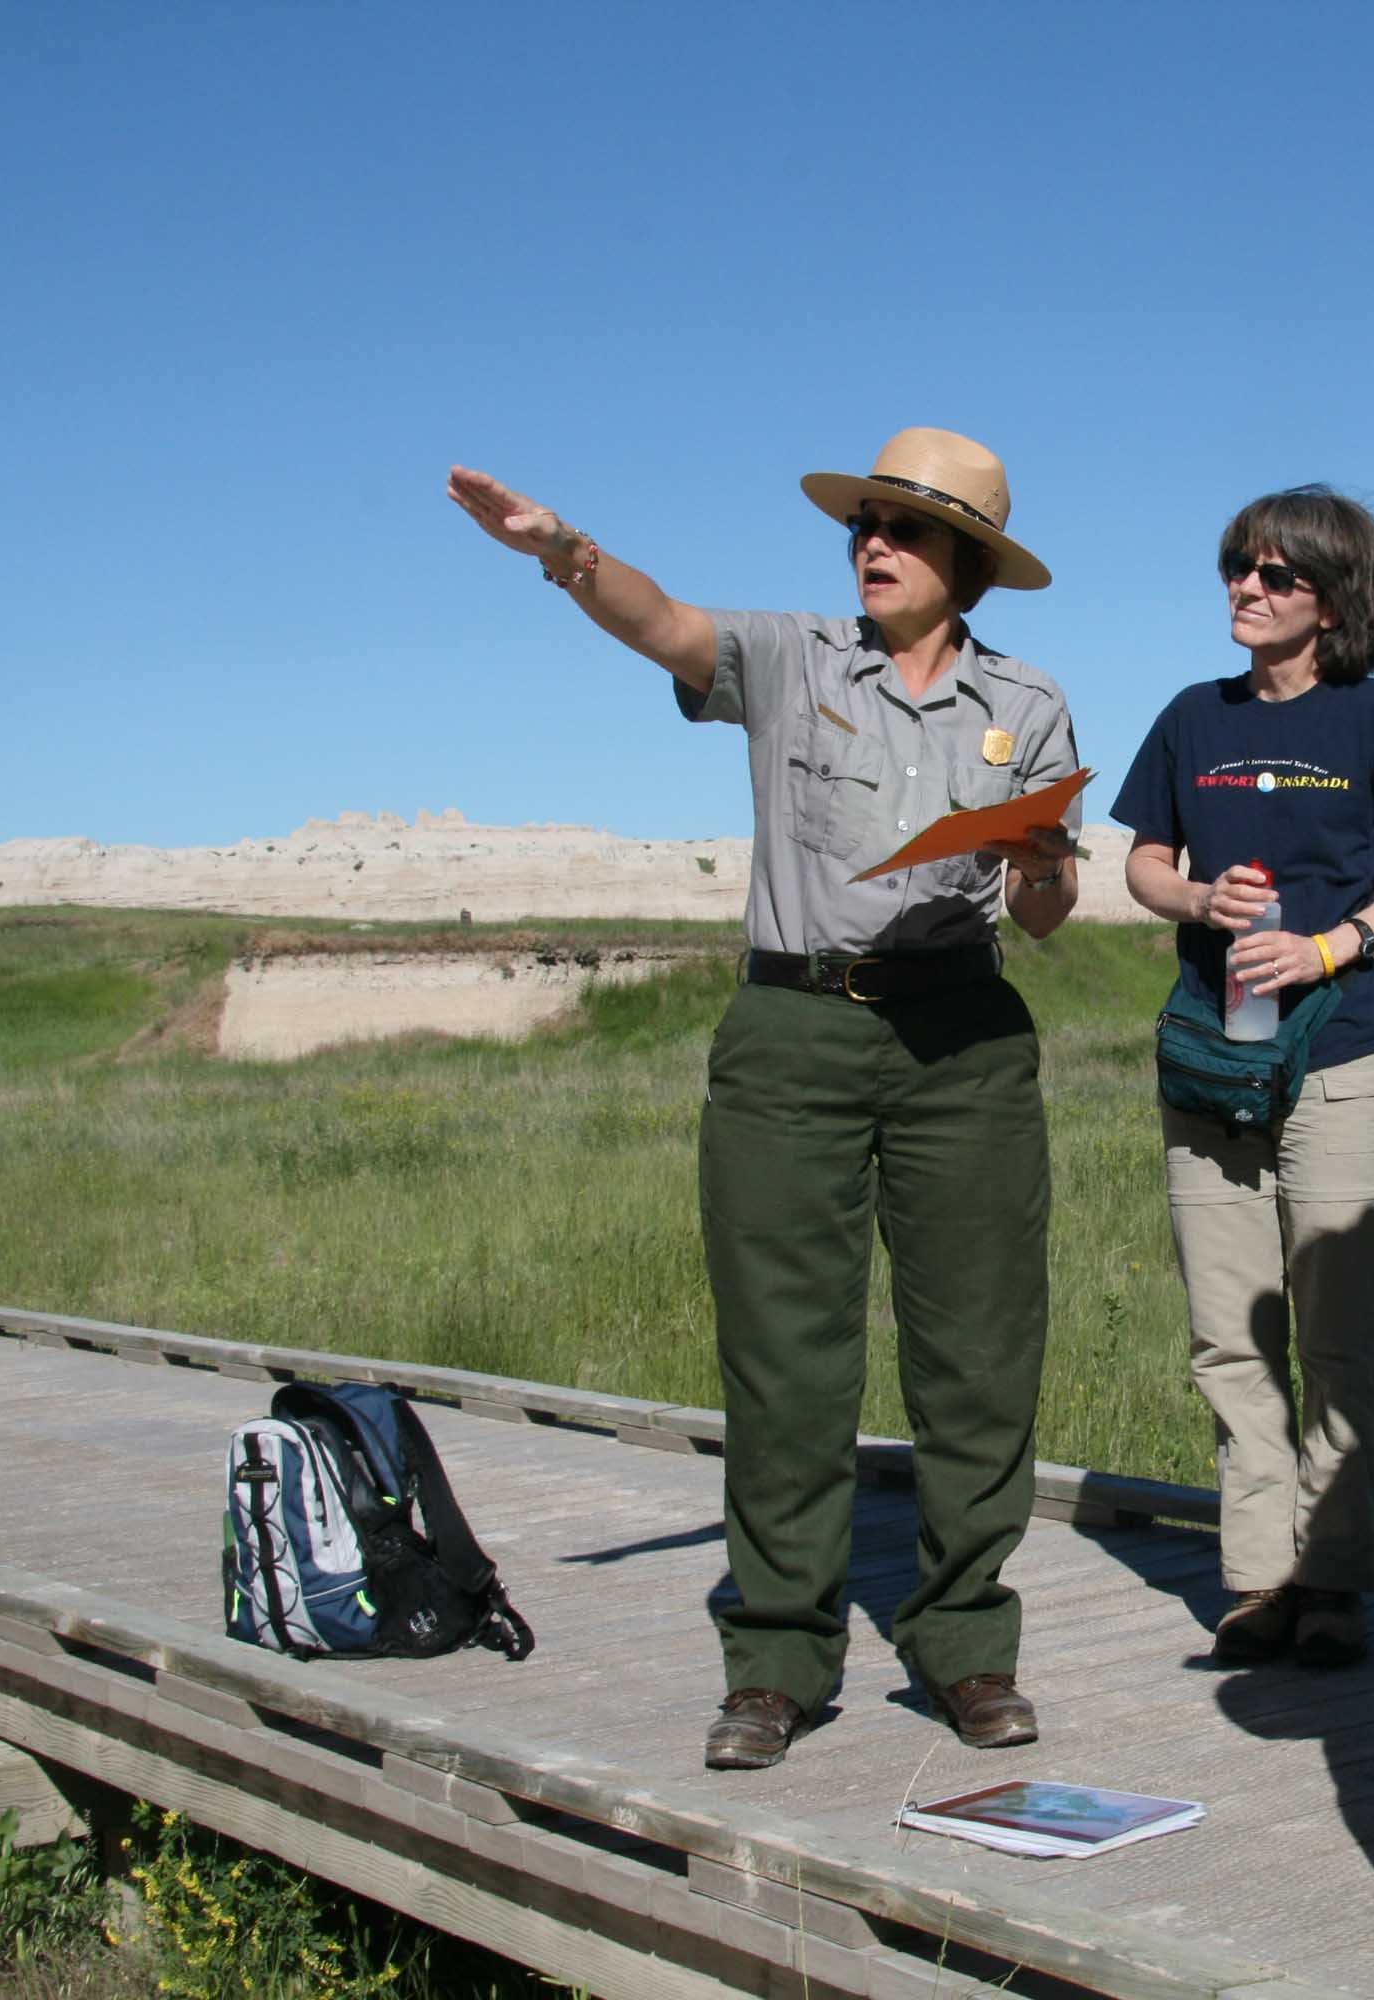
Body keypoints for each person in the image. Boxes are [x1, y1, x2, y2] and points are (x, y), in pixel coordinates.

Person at [445, 427, 1082, 1768]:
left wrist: (1037, 866)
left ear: (963, 560)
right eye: (863, 524)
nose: (873, 545)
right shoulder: (794, 658)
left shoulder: (1027, 703)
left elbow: (1046, 916)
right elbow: (667, 624)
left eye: (905, 530)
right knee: (786, 1358)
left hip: (962, 1037)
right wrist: (560, 549)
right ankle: (780, 1659)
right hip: (793, 1027)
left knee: (978, 1351)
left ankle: (967, 1642)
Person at [1112, 487, 1374, 1669]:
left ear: (1334, 598)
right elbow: (1145, 861)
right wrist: (1199, 898)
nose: (1246, 591)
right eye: (1238, 570)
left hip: (1342, 1050)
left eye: (1275, 575)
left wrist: (1327, 947)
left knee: (1339, 1329)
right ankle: (1257, 1578)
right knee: (1229, 1332)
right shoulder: (1190, 718)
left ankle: (1337, 1577)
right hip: (1212, 1054)